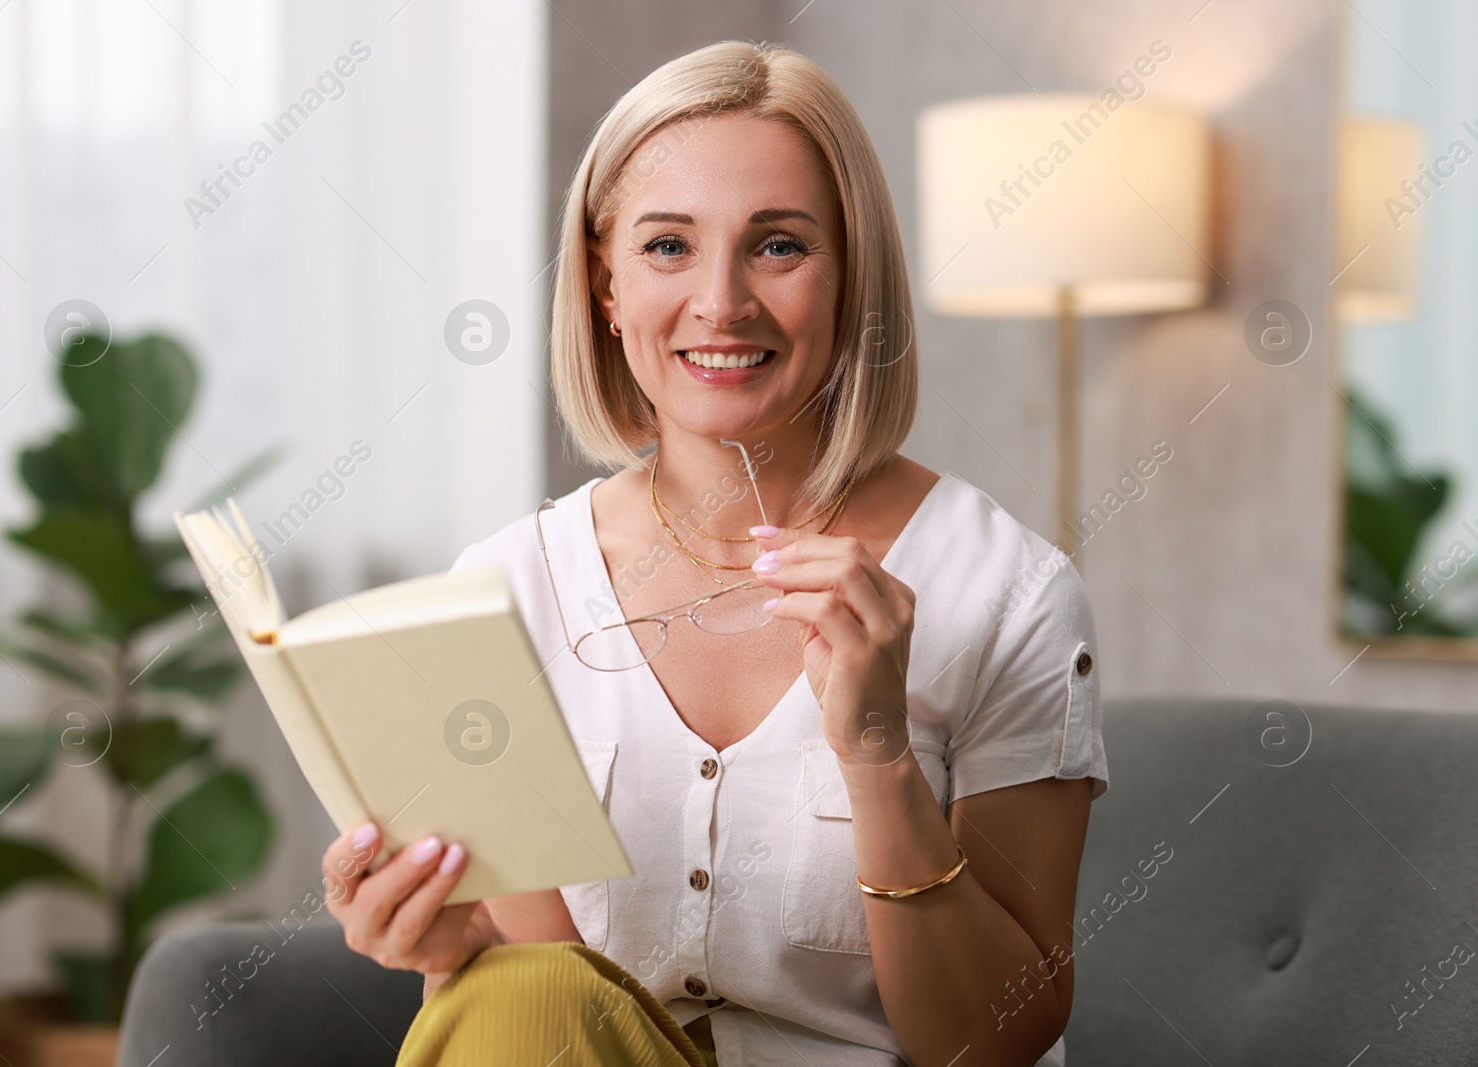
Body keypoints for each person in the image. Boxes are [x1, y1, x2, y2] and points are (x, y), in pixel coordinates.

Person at [321, 38, 1108, 1067]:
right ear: (604, 284)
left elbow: (991, 1042)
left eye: (777, 245)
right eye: (666, 247)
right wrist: (449, 942)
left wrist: (878, 757)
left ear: (849, 279)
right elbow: (550, 1001)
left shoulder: (1007, 592)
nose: (721, 302)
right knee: (522, 987)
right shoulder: (510, 586)